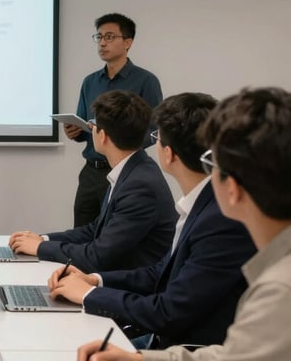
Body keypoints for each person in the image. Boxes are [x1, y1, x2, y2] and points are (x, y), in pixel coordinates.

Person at [77, 87, 291, 361]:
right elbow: (233, 354)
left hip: (179, 337)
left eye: (214, 163)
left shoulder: (277, 290)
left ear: (233, 188)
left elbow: (173, 314)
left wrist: (90, 293)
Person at [48, 93, 256, 349]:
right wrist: (96, 281)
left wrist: (89, 295)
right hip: (164, 335)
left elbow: (169, 313)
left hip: (183, 348)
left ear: (168, 154)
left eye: (156, 138)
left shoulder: (221, 220)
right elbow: (160, 272)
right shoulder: (205, 202)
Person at [9, 90, 177, 272]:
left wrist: (40, 248)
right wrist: (43, 240)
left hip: (133, 288)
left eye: (94, 124)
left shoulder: (140, 185)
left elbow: (97, 256)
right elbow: (95, 229)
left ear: (102, 135)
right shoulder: (134, 169)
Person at [66, 13, 162, 228]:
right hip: (91, 171)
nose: (102, 43)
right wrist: (75, 131)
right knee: (82, 232)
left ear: (128, 42)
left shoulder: (146, 81)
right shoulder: (90, 81)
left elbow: (154, 130)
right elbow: (84, 126)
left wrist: (121, 141)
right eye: (99, 37)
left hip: (125, 171)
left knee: (113, 237)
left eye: (109, 37)